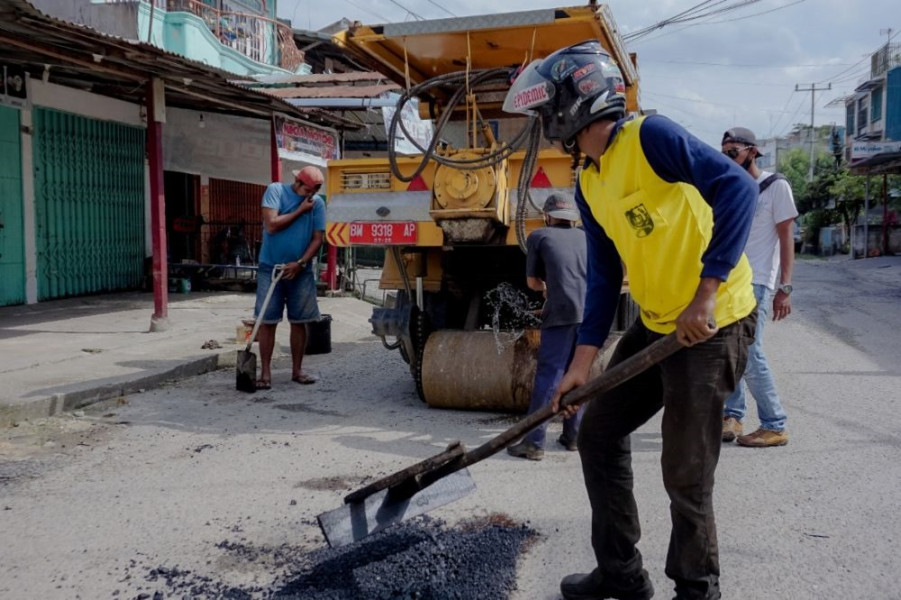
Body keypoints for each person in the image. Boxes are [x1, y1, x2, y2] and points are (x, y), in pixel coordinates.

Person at [504, 41, 758, 600]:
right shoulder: (590, 182)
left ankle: (696, 590)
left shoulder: (651, 137)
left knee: (685, 472)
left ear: (576, 103)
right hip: (661, 320)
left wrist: (706, 292)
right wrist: (581, 365)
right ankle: (621, 574)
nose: (545, 124)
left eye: (548, 111)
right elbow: (602, 276)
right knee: (598, 434)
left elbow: (737, 189)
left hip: (713, 323)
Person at [720, 127, 797, 447]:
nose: (727, 157)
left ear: (752, 151)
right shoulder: (730, 187)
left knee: (750, 352)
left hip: (758, 281)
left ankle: (774, 423)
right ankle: (733, 415)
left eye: (732, 151)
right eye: (723, 151)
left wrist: (785, 287)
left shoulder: (775, 186)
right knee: (729, 351)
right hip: (730, 280)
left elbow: (786, 236)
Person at [507, 193, 587, 461]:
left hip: (562, 313)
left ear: (548, 215)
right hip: (589, 313)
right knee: (577, 373)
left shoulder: (539, 236)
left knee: (549, 376)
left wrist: (547, 289)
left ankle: (534, 442)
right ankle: (574, 436)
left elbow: (532, 283)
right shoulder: (586, 236)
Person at [254, 166, 326, 390]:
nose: (311, 194)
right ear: (297, 182)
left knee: (299, 321)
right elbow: (272, 225)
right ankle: (265, 374)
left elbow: (317, 239)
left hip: (299, 270)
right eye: (308, 189)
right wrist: (300, 211)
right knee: (267, 321)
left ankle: (297, 370)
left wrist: (301, 263)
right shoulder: (275, 191)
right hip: (270, 268)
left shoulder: (317, 204)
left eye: (315, 190)